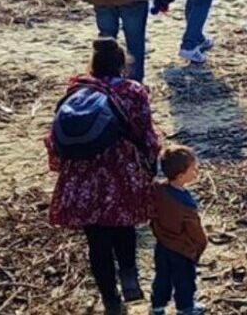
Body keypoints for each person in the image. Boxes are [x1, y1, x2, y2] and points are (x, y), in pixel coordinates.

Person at [45, 38, 161, 315]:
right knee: (124, 225)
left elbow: (54, 138)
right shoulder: (133, 90)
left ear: (93, 65)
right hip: (119, 170)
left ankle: (111, 300)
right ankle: (130, 275)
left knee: (96, 242)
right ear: (122, 64)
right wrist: (149, 164)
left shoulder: (77, 89)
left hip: (81, 174)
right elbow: (147, 135)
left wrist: (63, 168)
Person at [149, 146, 208, 315]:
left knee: (162, 277)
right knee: (185, 280)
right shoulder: (186, 204)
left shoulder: (158, 190)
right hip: (182, 249)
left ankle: (157, 306)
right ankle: (185, 307)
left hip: (162, 245)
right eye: (193, 169)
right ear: (181, 175)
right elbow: (195, 231)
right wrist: (199, 246)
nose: (196, 171)